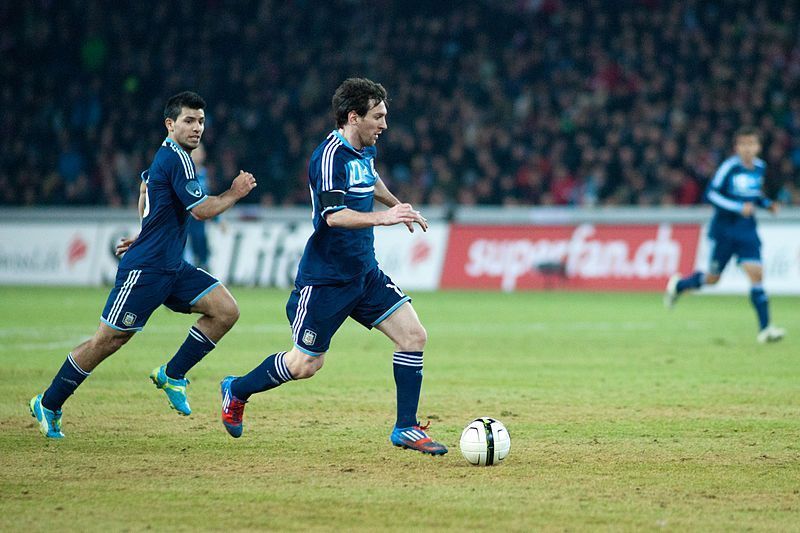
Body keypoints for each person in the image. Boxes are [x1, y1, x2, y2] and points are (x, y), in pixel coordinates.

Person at [219, 78, 447, 455]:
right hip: (325, 280)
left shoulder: (364, 151)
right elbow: (333, 217)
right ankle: (237, 390)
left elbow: (369, 179)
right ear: (353, 117)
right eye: (378, 117)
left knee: (414, 336)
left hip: (364, 273)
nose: (384, 125)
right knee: (306, 364)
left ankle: (405, 427)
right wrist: (384, 218)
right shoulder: (328, 157)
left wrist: (397, 204)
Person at [29, 91, 258, 438]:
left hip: (171, 266)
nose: (197, 128)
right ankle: (49, 402)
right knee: (107, 341)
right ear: (170, 124)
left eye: (200, 122)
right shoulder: (179, 159)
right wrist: (234, 192)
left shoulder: (170, 158)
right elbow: (200, 211)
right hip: (146, 270)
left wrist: (147, 231)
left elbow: (145, 190)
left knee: (225, 310)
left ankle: (173, 374)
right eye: (189, 121)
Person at [664, 127, 785, 343]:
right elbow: (710, 194)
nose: (748, 149)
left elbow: (754, 194)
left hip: (747, 230)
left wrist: (767, 204)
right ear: (736, 147)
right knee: (713, 279)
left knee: (756, 274)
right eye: (743, 144)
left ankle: (765, 329)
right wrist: (737, 207)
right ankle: (679, 286)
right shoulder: (729, 167)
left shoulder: (759, 167)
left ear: (758, 147)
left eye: (752, 144)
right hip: (724, 231)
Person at [184, 142, 213, 271]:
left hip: (200, 221)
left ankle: (204, 271)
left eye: (199, 152)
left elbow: (208, 198)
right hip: (186, 220)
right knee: (186, 252)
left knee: (202, 249)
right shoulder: (184, 173)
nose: (197, 155)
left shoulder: (204, 174)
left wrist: (217, 218)